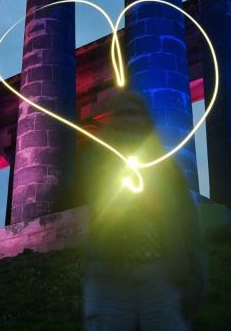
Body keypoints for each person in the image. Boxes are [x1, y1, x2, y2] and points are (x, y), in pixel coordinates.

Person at [80, 91, 207, 330]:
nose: (128, 120)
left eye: (134, 113)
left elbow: (187, 223)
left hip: (160, 272)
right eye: (122, 114)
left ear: (145, 119)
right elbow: (94, 193)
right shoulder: (98, 161)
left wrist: (195, 275)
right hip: (112, 272)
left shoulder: (168, 170)